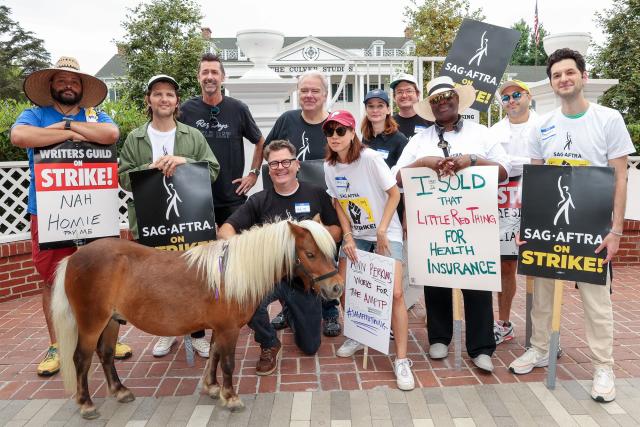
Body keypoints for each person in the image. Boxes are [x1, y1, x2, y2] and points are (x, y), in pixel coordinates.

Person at [509, 48, 634, 403]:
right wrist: (527, 225)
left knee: (597, 301)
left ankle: (603, 366)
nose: (563, 79)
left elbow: (620, 177)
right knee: (543, 295)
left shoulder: (608, 119)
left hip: (592, 226)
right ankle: (540, 348)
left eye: (569, 73)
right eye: (557, 75)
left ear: (583, 76)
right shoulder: (543, 125)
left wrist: (616, 230)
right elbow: (535, 180)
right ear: (551, 83)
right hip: (549, 226)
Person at [10, 56, 132, 376]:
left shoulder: (95, 114)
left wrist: (64, 127)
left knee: (103, 276)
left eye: (74, 81)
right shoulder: (34, 114)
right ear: (51, 85)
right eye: (62, 80)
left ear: (81, 87)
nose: (68, 85)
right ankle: (56, 345)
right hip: (51, 211)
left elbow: (109, 134)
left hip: (93, 210)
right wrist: (71, 131)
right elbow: (21, 137)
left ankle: (108, 338)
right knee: (52, 279)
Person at [394, 76, 510, 373]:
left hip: (474, 222)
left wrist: (471, 159)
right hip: (433, 223)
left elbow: (504, 171)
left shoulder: (480, 133)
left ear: (458, 100)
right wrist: (424, 163)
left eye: (447, 97)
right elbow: (395, 177)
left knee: (477, 284)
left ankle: (481, 346)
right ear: (429, 107)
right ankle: (439, 337)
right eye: (435, 100)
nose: (442, 102)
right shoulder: (419, 141)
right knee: (436, 280)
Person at [217, 140, 341, 375]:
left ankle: (291, 311)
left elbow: (336, 230)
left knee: (310, 346)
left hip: (304, 282)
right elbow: (226, 230)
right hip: (271, 278)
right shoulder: (259, 200)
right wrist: (240, 247)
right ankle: (269, 343)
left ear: (296, 165)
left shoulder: (315, 193)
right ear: (268, 169)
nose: (280, 167)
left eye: (285, 161)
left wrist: (314, 234)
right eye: (273, 163)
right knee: (248, 301)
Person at [118, 74, 220, 359]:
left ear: (177, 102)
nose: (164, 99)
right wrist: (148, 169)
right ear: (148, 100)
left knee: (194, 280)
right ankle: (167, 333)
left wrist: (184, 161)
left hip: (190, 220)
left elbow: (213, 170)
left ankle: (198, 332)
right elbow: (123, 179)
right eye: (158, 94)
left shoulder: (193, 135)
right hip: (152, 223)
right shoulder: (136, 138)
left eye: (170, 95)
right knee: (159, 281)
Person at [323, 110, 415, 391]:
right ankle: (357, 333)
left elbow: (394, 193)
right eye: (330, 132)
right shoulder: (329, 166)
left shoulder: (371, 158)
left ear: (353, 133)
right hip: (357, 234)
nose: (335, 137)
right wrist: (348, 236)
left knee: (396, 293)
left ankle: (401, 359)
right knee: (344, 286)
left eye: (341, 131)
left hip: (386, 232)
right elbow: (337, 203)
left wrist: (383, 230)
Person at [264, 71, 341, 337]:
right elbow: (268, 149)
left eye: (314, 91)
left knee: (325, 254)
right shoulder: (287, 119)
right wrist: (255, 174)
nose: (308, 96)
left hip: (324, 201)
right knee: (291, 258)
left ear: (324, 95)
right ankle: (289, 308)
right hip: (292, 198)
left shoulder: (334, 124)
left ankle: (330, 310)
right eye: (304, 90)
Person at [180, 53, 264, 227]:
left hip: (231, 199)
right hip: (195, 198)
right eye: (205, 72)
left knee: (235, 250)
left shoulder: (238, 109)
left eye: (214, 72)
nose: (209, 77)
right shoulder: (186, 110)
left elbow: (260, 141)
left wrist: (253, 174)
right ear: (198, 77)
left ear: (223, 77)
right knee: (199, 252)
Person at [488, 80, 537, 344]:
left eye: (516, 95)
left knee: (539, 267)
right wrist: (526, 163)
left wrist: (513, 164)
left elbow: (547, 162)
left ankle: (543, 331)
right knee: (506, 265)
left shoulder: (545, 126)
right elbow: (496, 164)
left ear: (528, 96)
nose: (511, 101)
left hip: (538, 202)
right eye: (505, 98)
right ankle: (504, 323)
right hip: (504, 202)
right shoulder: (494, 131)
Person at [361, 89, 408, 169]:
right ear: (366, 110)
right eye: (371, 106)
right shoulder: (366, 137)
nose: (375, 110)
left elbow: (404, 172)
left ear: (388, 110)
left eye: (380, 106)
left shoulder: (400, 140)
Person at [390, 73, 432, 139]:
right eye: (399, 92)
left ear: (418, 94)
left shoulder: (429, 121)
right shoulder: (389, 123)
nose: (404, 95)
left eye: (409, 91)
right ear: (394, 97)